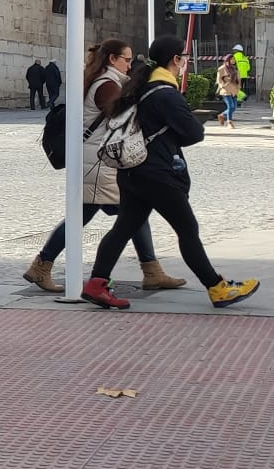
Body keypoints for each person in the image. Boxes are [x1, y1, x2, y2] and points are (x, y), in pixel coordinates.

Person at [82, 35, 261, 311]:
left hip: (131, 171)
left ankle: (96, 283)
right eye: (184, 58)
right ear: (176, 60)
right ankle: (217, 287)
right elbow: (194, 132)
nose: (186, 63)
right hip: (158, 174)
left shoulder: (139, 87)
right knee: (187, 229)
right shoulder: (165, 92)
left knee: (123, 228)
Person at [22, 39, 187, 294]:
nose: (129, 65)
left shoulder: (106, 81)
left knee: (98, 215)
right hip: (101, 163)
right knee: (132, 213)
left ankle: (42, 265)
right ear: (112, 59)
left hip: (98, 161)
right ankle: (150, 271)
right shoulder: (107, 85)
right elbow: (123, 115)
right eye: (126, 60)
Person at [216, 53, 244, 127]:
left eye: (234, 59)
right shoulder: (222, 68)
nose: (233, 60)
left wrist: (238, 87)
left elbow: (238, 79)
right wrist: (223, 86)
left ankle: (222, 115)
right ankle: (229, 122)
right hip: (226, 90)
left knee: (234, 108)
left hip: (234, 90)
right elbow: (219, 80)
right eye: (232, 59)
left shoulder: (234, 69)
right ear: (228, 60)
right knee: (230, 106)